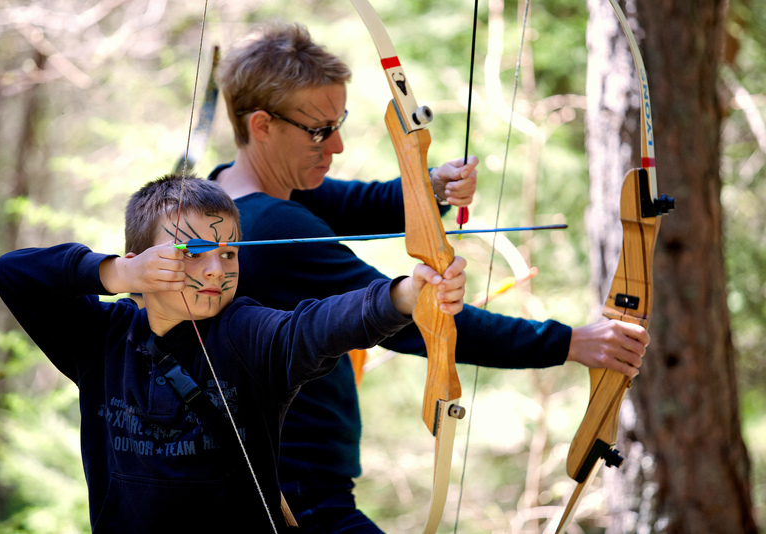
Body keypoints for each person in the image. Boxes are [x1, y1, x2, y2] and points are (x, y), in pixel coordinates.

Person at [209, 22, 650, 533]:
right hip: (295, 498)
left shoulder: (227, 196)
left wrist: (430, 188)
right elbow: (421, 321)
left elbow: (354, 202)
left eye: (340, 122)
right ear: (262, 125)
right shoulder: (277, 229)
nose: (338, 146)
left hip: (270, 484)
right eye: (320, 131)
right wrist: (572, 343)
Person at [0, 174, 468, 533]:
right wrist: (116, 274)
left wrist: (404, 296)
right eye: (193, 251)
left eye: (230, 253)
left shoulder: (247, 333)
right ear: (142, 258)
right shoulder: (102, 339)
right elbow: (13, 273)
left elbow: (313, 327)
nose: (217, 269)